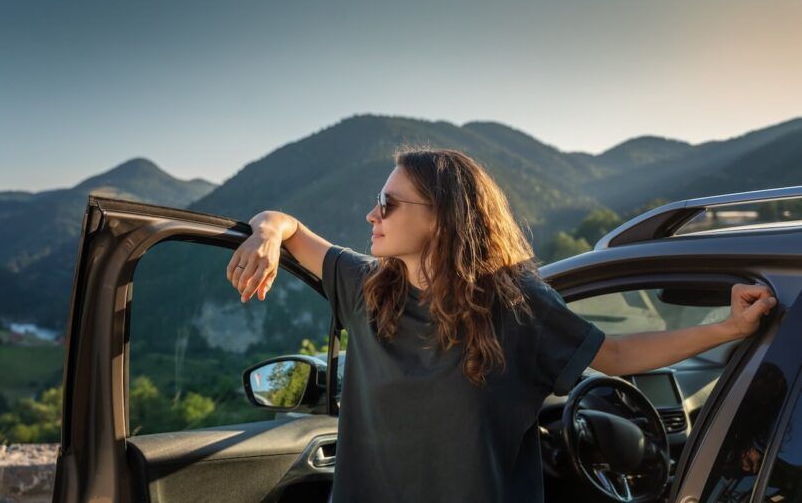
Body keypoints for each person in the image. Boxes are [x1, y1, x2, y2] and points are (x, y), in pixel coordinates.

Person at [225, 147, 777, 502]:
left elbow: (616, 356)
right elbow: (287, 224)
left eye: (388, 203)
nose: (373, 214)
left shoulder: (516, 308)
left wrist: (726, 330)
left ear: (442, 216)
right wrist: (268, 233)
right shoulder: (365, 286)